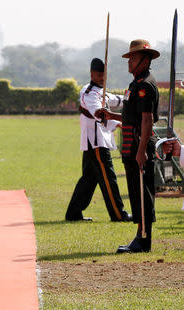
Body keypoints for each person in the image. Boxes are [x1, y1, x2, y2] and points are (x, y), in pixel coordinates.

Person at [99, 39, 160, 253]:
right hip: (131, 145)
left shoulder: (144, 85)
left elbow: (146, 120)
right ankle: (139, 236)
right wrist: (111, 115)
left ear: (145, 60)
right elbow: (132, 117)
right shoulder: (136, 83)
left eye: (132, 58)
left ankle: (143, 240)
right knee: (135, 192)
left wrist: (142, 150)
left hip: (138, 145)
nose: (129, 61)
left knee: (142, 193)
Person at [66, 58, 132, 222]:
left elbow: (115, 100)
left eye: (104, 74)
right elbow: (99, 113)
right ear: (92, 74)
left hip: (96, 141)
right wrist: (118, 123)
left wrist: (131, 97)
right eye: (99, 74)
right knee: (108, 178)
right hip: (95, 142)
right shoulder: (88, 93)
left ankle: (73, 213)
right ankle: (118, 214)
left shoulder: (100, 92)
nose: (102, 77)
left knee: (88, 180)